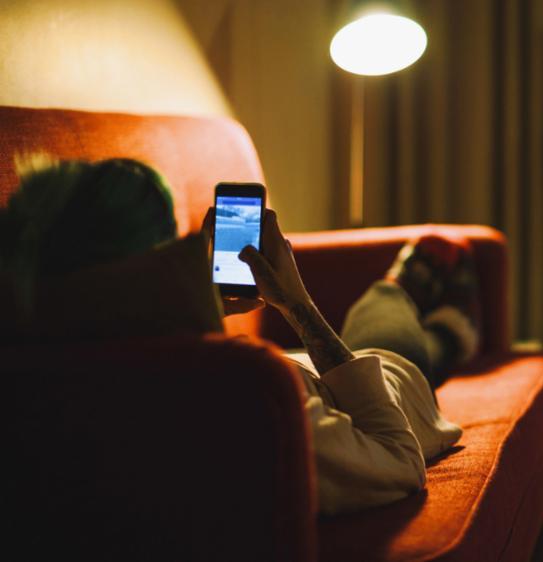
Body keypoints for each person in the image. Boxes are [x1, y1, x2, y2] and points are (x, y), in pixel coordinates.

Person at [0, 156, 479, 515]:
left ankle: (439, 322)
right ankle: (419, 298)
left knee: (383, 324)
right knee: (384, 314)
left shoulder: (38, 365)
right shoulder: (244, 394)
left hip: (308, 374)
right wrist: (296, 304)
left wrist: (199, 307)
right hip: (384, 391)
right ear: (153, 267)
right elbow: (400, 459)